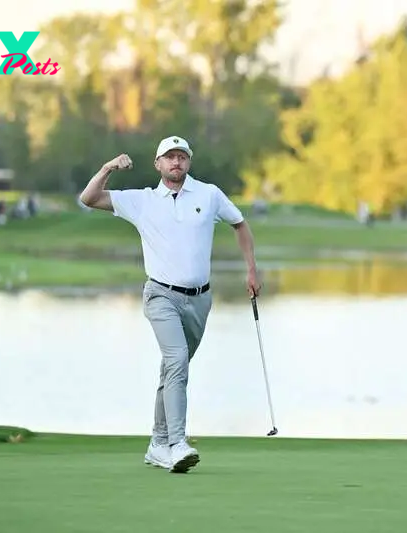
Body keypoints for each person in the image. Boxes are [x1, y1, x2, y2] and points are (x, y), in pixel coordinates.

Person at [79, 135, 261, 474]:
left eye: (181, 157)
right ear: (158, 164)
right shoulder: (142, 201)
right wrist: (108, 168)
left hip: (200, 300)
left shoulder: (209, 194)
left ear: (188, 162)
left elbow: (239, 223)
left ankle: (157, 444)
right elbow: (89, 198)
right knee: (177, 360)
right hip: (161, 295)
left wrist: (251, 269)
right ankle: (177, 443)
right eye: (169, 157)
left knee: (173, 368)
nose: (176, 162)